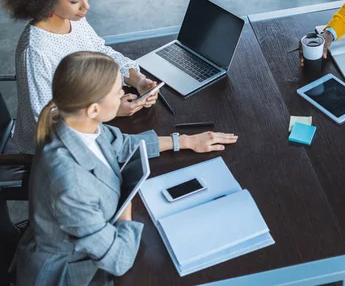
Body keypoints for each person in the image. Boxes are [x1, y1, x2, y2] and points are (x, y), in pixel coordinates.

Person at [14, 51, 238, 285]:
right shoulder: (70, 183)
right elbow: (118, 260)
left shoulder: (76, 124)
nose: (124, 93)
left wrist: (184, 141)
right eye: (117, 91)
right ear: (93, 109)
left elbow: (123, 144)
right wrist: (126, 205)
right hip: (75, 273)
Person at [1, 0, 159, 154]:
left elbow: (101, 52)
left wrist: (138, 80)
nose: (86, 6)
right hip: (54, 150)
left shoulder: (73, 21)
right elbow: (46, 120)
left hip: (89, 119)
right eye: (75, 0)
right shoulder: (36, 52)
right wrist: (109, 111)